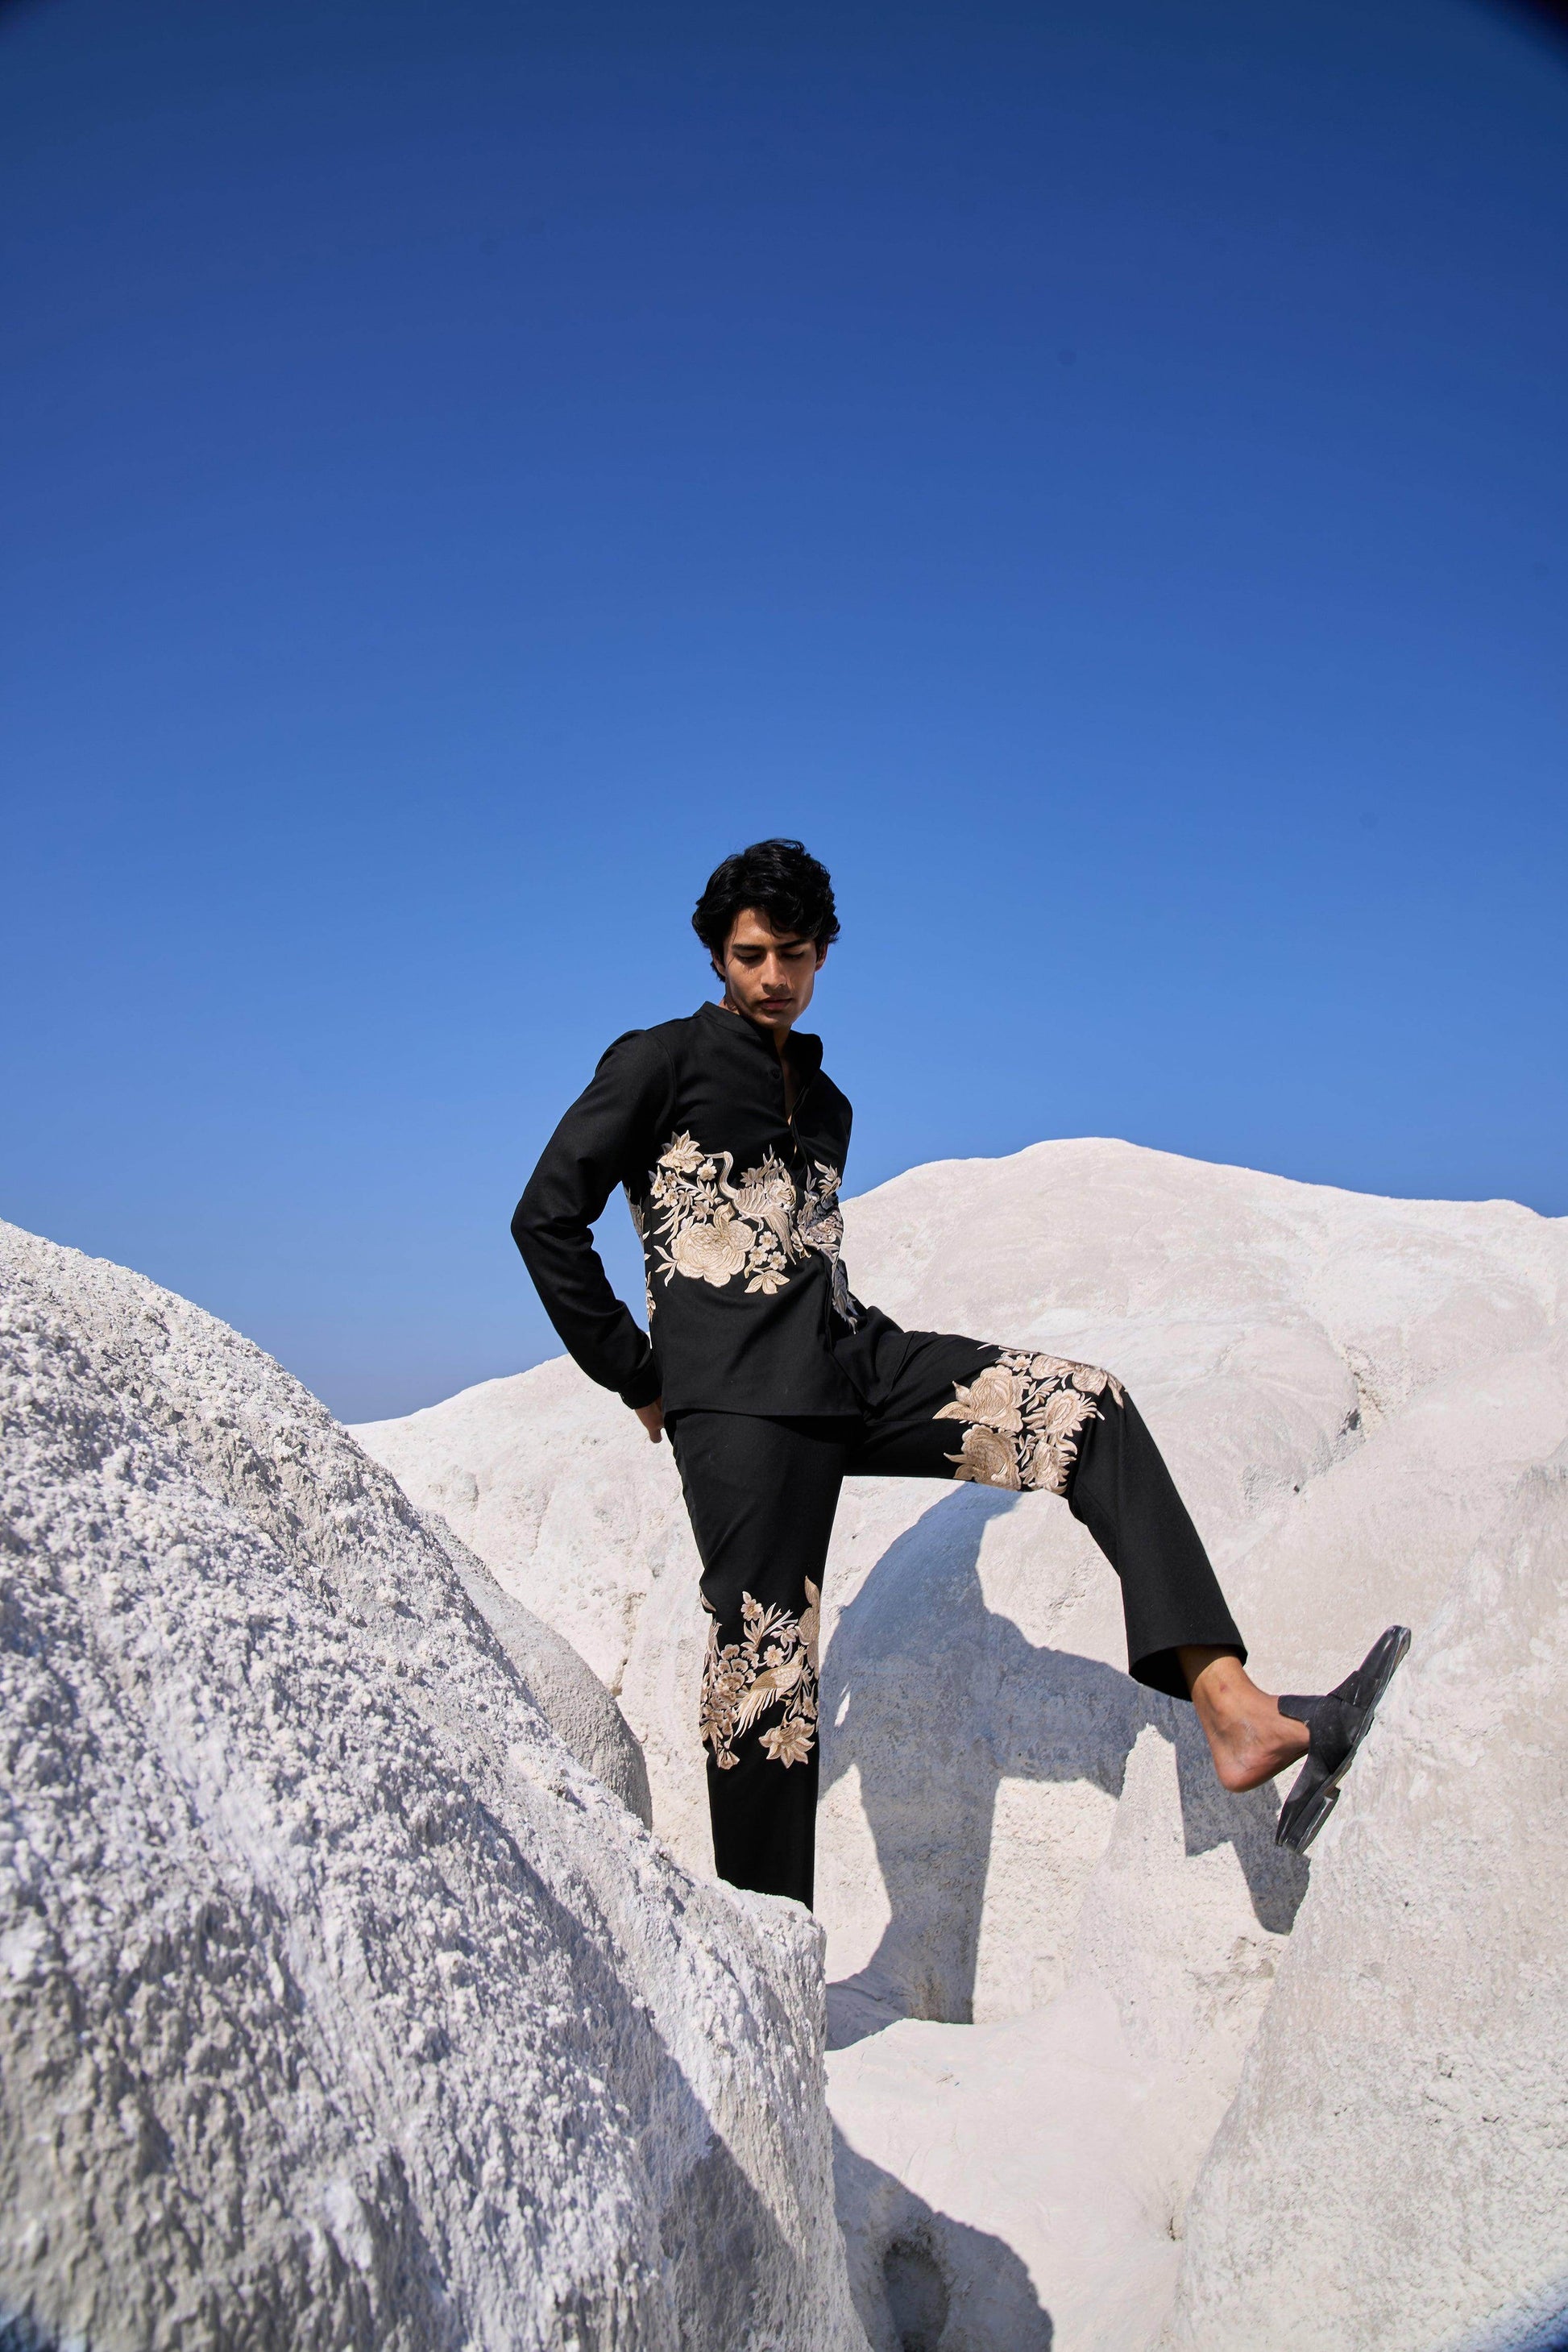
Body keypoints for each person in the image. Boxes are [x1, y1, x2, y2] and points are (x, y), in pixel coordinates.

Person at [512, 838, 1406, 1908]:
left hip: (857, 1364)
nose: (773, 978)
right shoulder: (656, 1062)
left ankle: (1234, 1712)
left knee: (1087, 1410)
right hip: (740, 1408)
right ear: (717, 955)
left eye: (794, 955)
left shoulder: (825, 1100)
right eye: (751, 956)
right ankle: (769, 1960)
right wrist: (638, 1374)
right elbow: (545, 1218)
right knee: (767, 1676)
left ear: (823, 953)